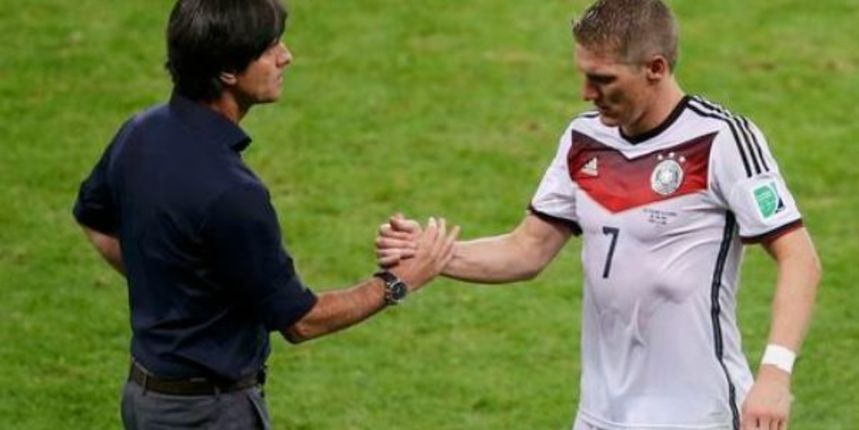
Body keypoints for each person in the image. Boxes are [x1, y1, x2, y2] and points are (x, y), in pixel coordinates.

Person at [376, 0, 820, 429]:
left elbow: (799, 258)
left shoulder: (720, 140)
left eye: (602, 79)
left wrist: (775, 375)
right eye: (584, 76)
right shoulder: (584, 139)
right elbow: (527, 250)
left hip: (697, 414)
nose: (587, 94)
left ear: (655, 68)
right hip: (599, 414)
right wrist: (433, 255)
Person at [72, 0, 458, 428]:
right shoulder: (233, 193)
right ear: (228, 72)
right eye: (269, 48)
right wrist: (398, 282)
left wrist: (170, 288)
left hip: (145, 399)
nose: (285, 56)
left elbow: (93, 219)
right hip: (208, 414)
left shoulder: (140, 132)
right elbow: (301, 321)